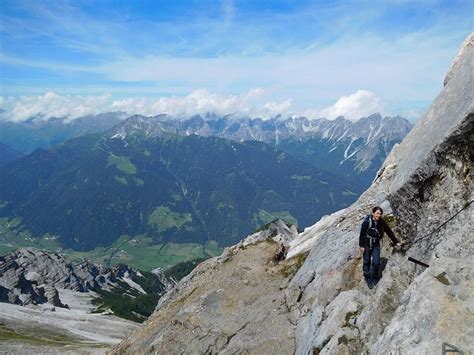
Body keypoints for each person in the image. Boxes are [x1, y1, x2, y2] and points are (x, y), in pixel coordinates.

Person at [359, 206, 401, 289]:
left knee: (376, 262)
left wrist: (396, 242)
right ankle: (367, 277)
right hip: (367, 243)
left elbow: (389, 232)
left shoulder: (381, 222)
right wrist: (361, 246)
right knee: (367, 260)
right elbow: (362, 234)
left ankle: (374, 277)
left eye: (380, 214)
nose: (378, 215)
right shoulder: (367, 222)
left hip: (376, 244)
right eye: (377, 213)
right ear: (373, 213)